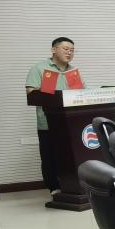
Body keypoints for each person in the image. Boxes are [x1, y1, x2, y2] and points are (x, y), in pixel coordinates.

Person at [25, 37, 83, 193]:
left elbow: (80, 94)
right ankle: (54, 187)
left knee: (70, 156)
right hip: (48, 123)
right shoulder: (41, 69)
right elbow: (31, 93)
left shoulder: (72, 72)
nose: (69, 53)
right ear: (53, 50)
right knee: (50, 157)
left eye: (72, 50)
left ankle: (72, 186)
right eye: (66, 49)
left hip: (71, 124)